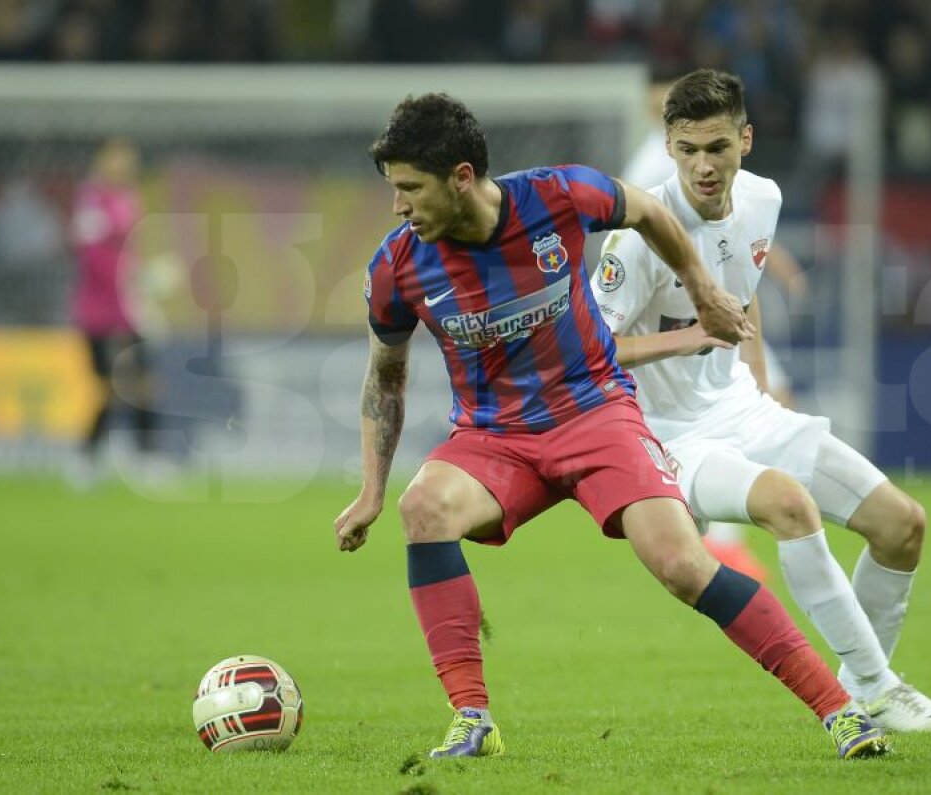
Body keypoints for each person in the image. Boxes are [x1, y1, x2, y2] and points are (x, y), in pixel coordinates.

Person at [334, 93, 889, 761]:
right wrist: (371, 489)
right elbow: (384, 378)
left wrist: (703, 290)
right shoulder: (397, 265)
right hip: (496, 437)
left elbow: (651, 210)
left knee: (683, 565)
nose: (399, 206)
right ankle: (471, 717)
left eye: (409, 188)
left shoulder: (556, 195)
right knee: (422, 507)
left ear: (460, 177)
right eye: (394, 189)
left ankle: (841, 710)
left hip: (595, 413)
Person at [592, 68, 931, 733]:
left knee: (902, 525)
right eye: (687, 151)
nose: (702, 166)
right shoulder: (636, 235)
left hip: (741, 409)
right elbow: (592, 351)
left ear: (746, 140)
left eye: (716, 148)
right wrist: (692, 341)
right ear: (669, 147)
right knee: (789, 504)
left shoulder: (763, 200)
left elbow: (742, 289)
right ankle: (881, 686)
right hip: (668, 436)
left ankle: (858, 682)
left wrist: (759, 378)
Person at [622, 76, 809, 583]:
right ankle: (712, 527)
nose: (702, 162)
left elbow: (737, 227)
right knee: (715, 416)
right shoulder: (651, 166)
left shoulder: (730, 168)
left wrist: (778, 265)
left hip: (724, 297)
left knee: (772, 402)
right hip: (683, 310)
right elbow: (641, 244)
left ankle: (723, 529)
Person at [68, 137, 162, 488]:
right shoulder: (92, 202)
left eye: (128, 159)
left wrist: (142, 282)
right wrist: (132, 280)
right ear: (102, 161)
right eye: (117, 159)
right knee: (111, 387)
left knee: (144, 384)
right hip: (101, 314)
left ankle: (145, 457)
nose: (123, 165)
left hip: (127, 310)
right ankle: (87, 458)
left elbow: (128, 253)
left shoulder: (128, 199)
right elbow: (93, 258)